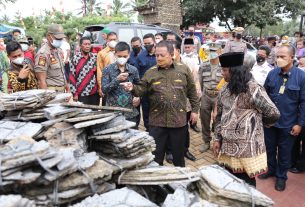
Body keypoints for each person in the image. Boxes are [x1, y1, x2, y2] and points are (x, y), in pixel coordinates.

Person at [121, 40, 200, 167]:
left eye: (162, 55)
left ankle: (180, 182)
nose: (158, 58)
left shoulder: (183, 69)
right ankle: (158, 185)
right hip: (157, 122)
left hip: (178, 121)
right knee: (156, 158)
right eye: (157, 55)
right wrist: (132, 88)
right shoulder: (151, 72)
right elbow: (141, 89)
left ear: (171, 54)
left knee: (179, 157)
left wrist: (195, 111)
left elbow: (192, 92)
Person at [213, 52, 280, 187]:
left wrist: (259, 125)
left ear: (235, 72)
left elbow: (273, 113)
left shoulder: (253, 89)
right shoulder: (224, 90)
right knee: (229, 180)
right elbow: (219, 116)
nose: (222, 73)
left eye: (224, 70)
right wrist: (217, 138)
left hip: (247, 149)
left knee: (246, 184)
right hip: (227, 146)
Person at [260, 45, 305, 191]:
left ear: (292, 58)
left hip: (288, 123)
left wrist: (299, 124)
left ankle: (281, 177)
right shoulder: (272, 74)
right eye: (277, 56)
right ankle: (271, 170)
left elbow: (304, 102)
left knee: (285, 153)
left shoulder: (301, 76)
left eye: (282, 57)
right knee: (270, 148)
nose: (278, 59)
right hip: (270, 123)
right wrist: (264, 117)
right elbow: (264, 97)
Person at [102, 42, 140, 128]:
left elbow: (139, 87)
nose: (122, 58)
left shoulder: (133, 70)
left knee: (131, 137)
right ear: (115, 55)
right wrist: (117, 80)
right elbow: (104, 89)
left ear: (129, 55)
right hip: (113, 113)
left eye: (124, 56)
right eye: (119, 56)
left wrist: (138, 97)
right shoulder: (107, 70)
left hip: (130, 112)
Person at [199, 43, 223, 153]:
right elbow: (200, 82)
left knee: (218, 120)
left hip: (219, 96)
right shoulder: (203, 66)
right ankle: (206, 141)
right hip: (206, 95)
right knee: (204, 119)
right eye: (211, 51)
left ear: (219, 52)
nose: (212, 53)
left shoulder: (224, 66)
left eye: (215, 51)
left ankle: (217, 141)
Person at [34, 24, 67, 92]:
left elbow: (62, 73)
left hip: (61, 92)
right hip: (51, 93)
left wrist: (68, 89)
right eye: (57, 38)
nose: (60, 40)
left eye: (61, 38)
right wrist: (46, 97)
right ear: (49, 36)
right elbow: (41, 81)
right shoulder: (43, 54)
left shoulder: (58, 50)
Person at [69, 37, 99, 105]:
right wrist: (75, 94)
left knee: (94, 113)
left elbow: (98, 73)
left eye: (89, 44)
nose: (87, 46)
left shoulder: (95, 57)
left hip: (94, 92)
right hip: (81, 93)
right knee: (84, 113)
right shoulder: (75, 59)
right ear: (80, 46)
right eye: (85, 44)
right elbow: (71, 77)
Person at [136, 33, 157, 131]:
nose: (147, 45)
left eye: (149, 43)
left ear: (154, 42)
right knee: (146, 112)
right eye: (145, 44)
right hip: (146, 91)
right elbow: (138, 75)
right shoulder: (141, 56)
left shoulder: (160, 54)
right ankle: (148, 130)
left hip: (159, 90)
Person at [181, 38, 201, 133]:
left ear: (193, 47)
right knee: (186, 106)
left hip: (196, 84)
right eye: (185, 47)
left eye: (189, 47)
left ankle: (194, 124)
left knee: (194, 105)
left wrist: (198, 87)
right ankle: (185, 123)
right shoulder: (181, 57)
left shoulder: (198, 57)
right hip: (185, 86)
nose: (187, 49)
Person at [97, 32, 118, 97]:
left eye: (114, 39)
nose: (113, 41)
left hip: (120, 83)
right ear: (107, 40)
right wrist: (100, 86)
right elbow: (99, 70)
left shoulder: (121, 52)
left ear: (117, 39)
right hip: (107, 83)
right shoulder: (101, 53)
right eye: (110, 40)